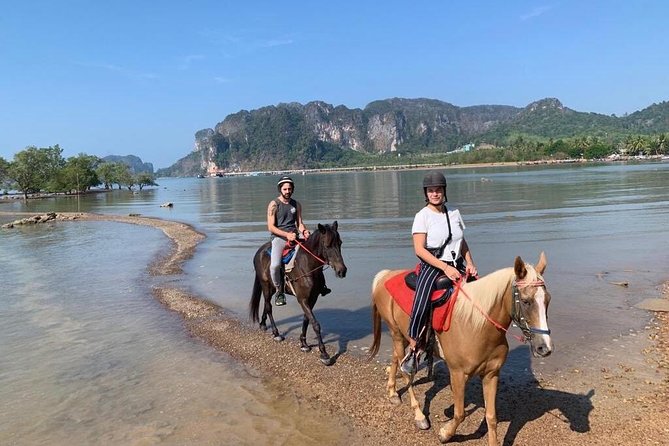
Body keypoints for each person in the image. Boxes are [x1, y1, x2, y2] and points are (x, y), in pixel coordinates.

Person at [400, 171, 478, 374]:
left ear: (444, 191)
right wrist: (444, 268)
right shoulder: (422, 216)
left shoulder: (454, 212)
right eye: (431, 190)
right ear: (426, 193)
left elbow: (462, 242)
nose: (435, 193)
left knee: (481, 293)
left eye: (438, 190)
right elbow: (419, 250)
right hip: (433, 265)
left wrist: (470, 263)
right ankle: (415, 345)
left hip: (457, 262)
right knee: (422, 299)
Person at [267, 176, 330, 306]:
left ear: (293, 189)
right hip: (279, 238)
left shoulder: (296, 204)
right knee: (274, 266)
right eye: (285, 189)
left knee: (315, 256)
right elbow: (271, 227)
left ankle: (321, 285)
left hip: (295, 236)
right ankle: (279, 291)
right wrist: (286, 235)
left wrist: (304, 231)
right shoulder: (274, 204)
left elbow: (299, 223)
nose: (287, 191)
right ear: (280, 189)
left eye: (290, 189)